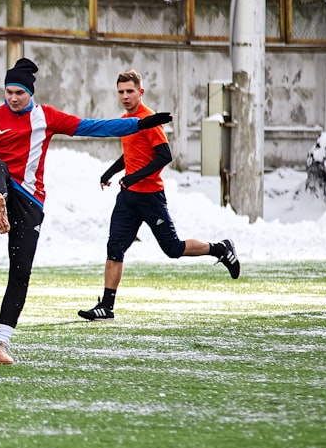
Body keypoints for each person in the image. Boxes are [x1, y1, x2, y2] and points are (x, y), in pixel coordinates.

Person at [0, 57, 173, 364]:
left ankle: (1, 343)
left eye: (19, 93)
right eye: (9, 91)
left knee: (21, 271)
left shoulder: (47, 117)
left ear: (31, 94)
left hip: (29, 199)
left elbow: (92, 127)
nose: (13, 98)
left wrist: (140, 123)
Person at [79, 69, 239, 321]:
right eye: (121, 92)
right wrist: (110, 171)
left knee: (173, 249)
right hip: (127, 198)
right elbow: (131, 153)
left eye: (130, 91)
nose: (125, 96)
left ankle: (220, 248)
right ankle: (107, 306)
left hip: (150, 197)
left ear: (140, 92)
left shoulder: (150, 120)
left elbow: (165, 155)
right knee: (114, 247)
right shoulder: (126, 121)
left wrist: (135, 177)